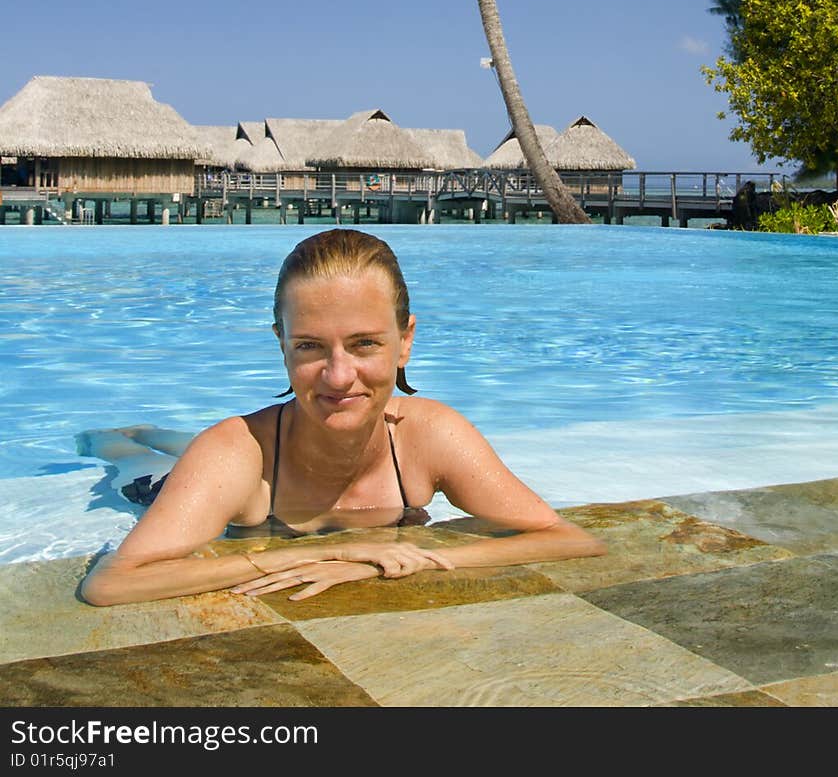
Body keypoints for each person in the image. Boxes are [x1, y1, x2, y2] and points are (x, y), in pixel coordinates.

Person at [80, 229, 606, 605]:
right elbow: (112, 582)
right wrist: (305, 555)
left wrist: (373, 555)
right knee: (131, 462)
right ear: (281, 345)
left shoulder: (430, 434)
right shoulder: (234, 453)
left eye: (364, 345)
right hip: (173, 482)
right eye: (310, 346)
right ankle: (124, 437)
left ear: (405, 341)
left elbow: (570, 538)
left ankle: (156, 434)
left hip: (260, 446)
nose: (338, 375)